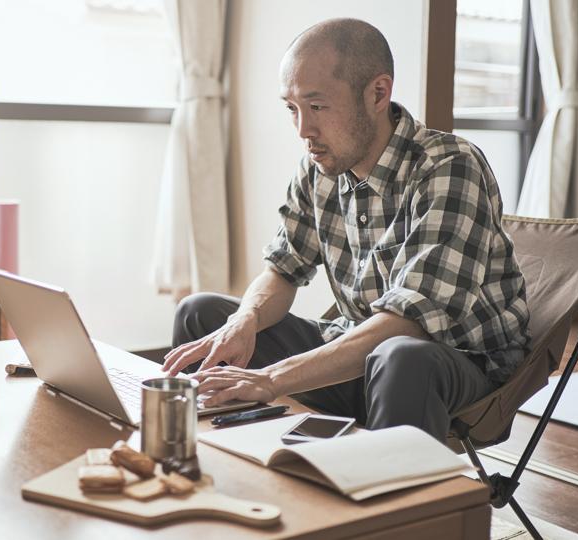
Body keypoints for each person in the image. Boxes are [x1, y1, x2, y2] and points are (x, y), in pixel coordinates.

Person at [162, 18, 530, 442]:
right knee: (201, 314)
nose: (303, 130)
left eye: (317, 107)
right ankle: (223, 463)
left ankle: (397, 504)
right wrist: (243, 320)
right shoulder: (319, 168)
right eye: (292, 108)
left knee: (401, 357)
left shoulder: (449, 167)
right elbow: (283, 269)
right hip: (361, 355)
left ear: (378, 93)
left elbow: (408, 324)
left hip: (454, 366)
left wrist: (271, 379)